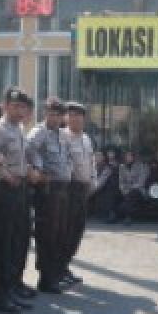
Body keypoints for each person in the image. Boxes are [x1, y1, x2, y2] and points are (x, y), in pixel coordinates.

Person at [0, 87, 36, 313]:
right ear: (5, 106)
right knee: (3, 243)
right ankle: (1, 295)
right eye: (15, 106)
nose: (19, 111)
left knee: (19, 239)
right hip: (4, 192)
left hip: (20, 190)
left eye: (23, 108)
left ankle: (13, 286)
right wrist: (4, 175)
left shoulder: (19, 129)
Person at [26, 98, 73, 293]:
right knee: (47, 234)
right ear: (45, 113)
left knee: (60, 233)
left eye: (57, 114)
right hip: (47, 188)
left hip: (62, 188)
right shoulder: (39, 132)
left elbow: (67, 157)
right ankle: (46, 279)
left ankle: (54, 274)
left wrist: (68, 172)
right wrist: (39, 169)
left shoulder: (61, 135)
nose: (53, 118)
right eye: (50, 113)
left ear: (63, 117)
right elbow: (28, 150)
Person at [62, 102, 94, 285]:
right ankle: (59, 268)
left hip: (83, 189)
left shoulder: (86, 138)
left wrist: (93, 182)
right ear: (66, 118)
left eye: (78, 115)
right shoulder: (63, 137)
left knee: (76, 230)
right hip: (69, 189)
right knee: (65, 231)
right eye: (71, 115)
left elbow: (92, 162)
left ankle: (66, 265)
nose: (74, 119)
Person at [116, 150, 149, 225]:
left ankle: (126, 215)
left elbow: (141, 181)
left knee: (132, 195)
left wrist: (131, 188)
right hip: (126, 190)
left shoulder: (140, 166)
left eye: (130, 156)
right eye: (127, 156)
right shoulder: (122, 167)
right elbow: (121, 181)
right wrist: (123, 189)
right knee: (127, 196)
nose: (128, 158)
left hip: (138, 189)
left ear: (133, 157)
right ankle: (127, 216)